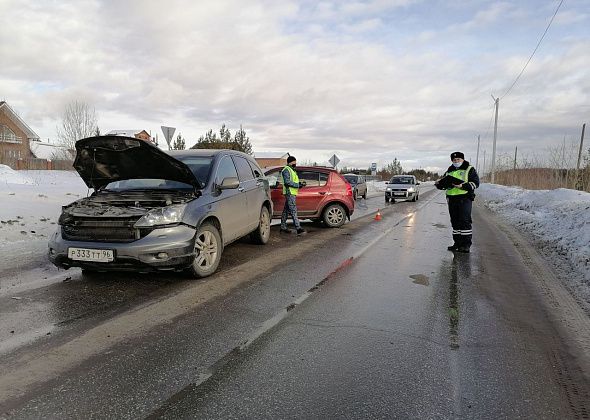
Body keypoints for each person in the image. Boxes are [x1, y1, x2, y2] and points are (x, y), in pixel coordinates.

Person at [435, 151, 480, 253]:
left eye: (458, 159)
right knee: (455, 222)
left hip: (464, 198)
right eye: (454, 160)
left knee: (464, 221)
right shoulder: (449, 170)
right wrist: (439, 184)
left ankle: (466, 245)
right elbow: (445, 185)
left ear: (462, 159)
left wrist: (462, 186)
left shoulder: (469, 169)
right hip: (452, 199)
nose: (456, 161)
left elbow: (475, 183)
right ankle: (457, 243)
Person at [280, 155, 306, 235]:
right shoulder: (286, 170)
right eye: (294, 162)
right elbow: (287, 182)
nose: (295, 164)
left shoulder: (291, 170)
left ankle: (283, 227)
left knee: (286, 211)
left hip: (292, 192)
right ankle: (298, 228)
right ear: (290, 162)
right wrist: (298, 185)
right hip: (290, 193)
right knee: (293, 211)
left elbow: (292, 181)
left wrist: (299, 184)